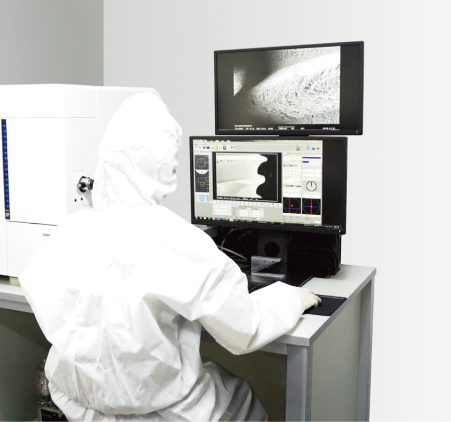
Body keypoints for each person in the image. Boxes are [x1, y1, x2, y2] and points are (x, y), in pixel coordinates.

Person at [19, 92, 320, 421]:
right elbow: (243, 330)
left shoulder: (69, 230)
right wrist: (291, 299)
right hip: (160, 412)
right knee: (242, 399)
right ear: (165, 166)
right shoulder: (176, 239)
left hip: (79, 406)